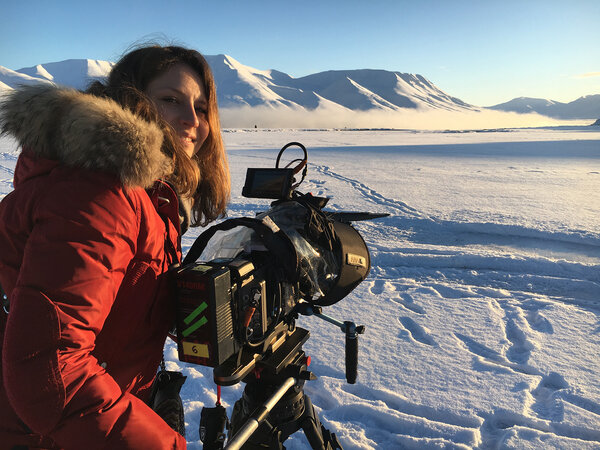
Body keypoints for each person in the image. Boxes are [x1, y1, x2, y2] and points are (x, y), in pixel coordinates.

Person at [0, 45, 230, 449]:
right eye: (171, 100)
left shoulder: (142, 195)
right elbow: (49, 369)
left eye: (201, 106)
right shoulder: (104, 193)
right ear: (131, 100)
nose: (193, 120)